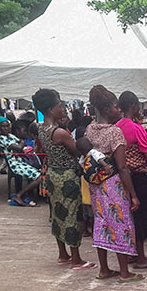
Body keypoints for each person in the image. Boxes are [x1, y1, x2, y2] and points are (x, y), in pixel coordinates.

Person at [85, 85, 144, 282]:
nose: (119, 110)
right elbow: (122, 167)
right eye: (116, 107)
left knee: (101, 222)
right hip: (113, 184)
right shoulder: (115, 132)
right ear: (106, 110)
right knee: (121, 223)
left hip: (95, 184)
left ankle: (104, 269)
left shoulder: (90, 129)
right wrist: (133, 194)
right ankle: (125, 272)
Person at [34, 88, 93, 270]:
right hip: (68, 175)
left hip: (53, 173)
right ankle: (76, 259)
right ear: (52, 110)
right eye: (60, 105)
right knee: (73, 215)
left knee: (58, 213)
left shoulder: (42, 128)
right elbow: (77, 150)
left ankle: (63, 254)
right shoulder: (60, 133)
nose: (63, 108)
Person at [117, 90, 147, 269]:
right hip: (138, 176)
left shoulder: (116, 127)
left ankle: (129, 254)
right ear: (134, 107)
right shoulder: (137, 129)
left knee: (126, 216)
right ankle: (141, 257)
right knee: (140, 216)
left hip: (121, 177)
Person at [0, 117, 41, 205]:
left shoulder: (10, 136)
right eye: (3, 127)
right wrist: (20, 146)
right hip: (15, 164)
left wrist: (20, 145)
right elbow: (20, 146)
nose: (6, 128)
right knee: (39, 177)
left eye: (7, 126)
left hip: (21, 161)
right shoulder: (1, 139)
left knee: (38, 172)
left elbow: (23, 142)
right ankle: (19, 195)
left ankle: (29, 197)